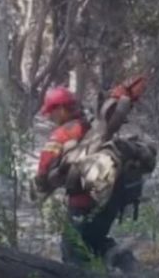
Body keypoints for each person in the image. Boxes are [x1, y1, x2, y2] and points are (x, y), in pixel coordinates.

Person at [35, 86, 122, 267]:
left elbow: (43, 170)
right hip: (109, 199)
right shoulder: (91, 126)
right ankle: (130, 269)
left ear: (61, 109)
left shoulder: (63, 134)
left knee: (73, 250)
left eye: (51, 112)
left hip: (82, 203)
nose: (50, 117)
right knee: (96, 242)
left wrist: (42, 185)